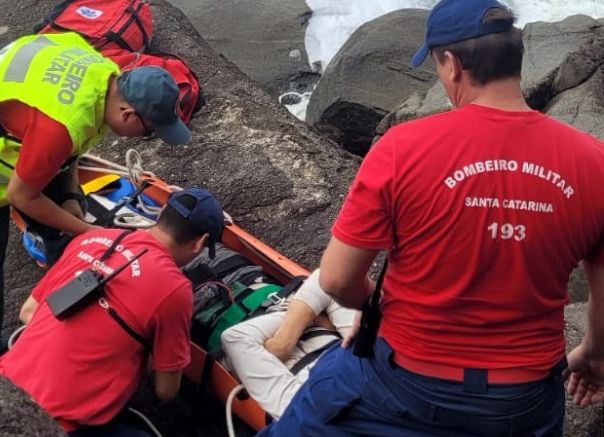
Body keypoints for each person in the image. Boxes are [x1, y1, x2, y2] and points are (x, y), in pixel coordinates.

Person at [258, 0, 604, 436]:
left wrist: (376, 311)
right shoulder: (595, 162)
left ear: (453, 64)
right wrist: (594, 356)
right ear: (517, 59)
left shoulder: (402, 147)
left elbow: (337, 281)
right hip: (524, 402)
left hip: (403, 385)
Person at [0, 31, 191, 361]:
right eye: (150, 131)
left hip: (28, 131)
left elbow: (71, 144)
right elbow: (22, 195)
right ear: (127, 114)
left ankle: (64, 299)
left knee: (68, 221)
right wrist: (94, 233)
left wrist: (68, 197)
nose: (147, 137)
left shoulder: (104, 75)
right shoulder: (61, 125)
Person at [0, 187, 224, 436]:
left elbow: (28, 311)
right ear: (200, 243)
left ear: (163, 212)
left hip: (2, 385)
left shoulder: (91, 239)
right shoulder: (175, 290)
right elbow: (166, 390)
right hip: (55, 422)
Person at [221, 268, 357, 420]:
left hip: (252, 324)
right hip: (279, 309)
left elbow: (235, 337)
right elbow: (331, 277)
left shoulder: (304, 412)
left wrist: (305, 319)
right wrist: (289, 335)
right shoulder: (373, 360)